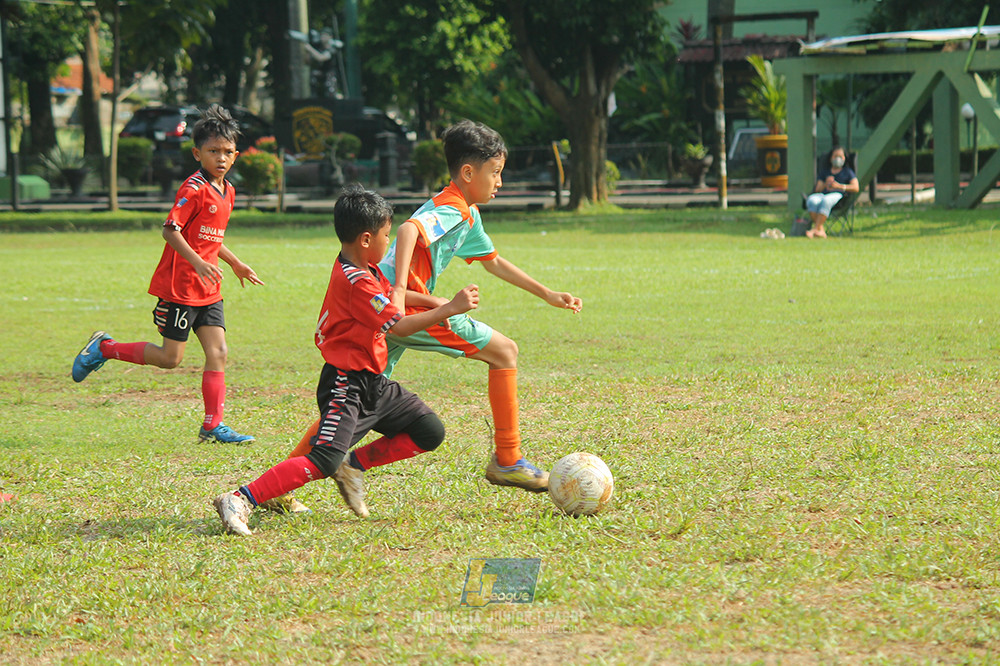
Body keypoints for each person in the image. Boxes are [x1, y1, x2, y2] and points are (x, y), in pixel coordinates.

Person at [274, 119, 582, 507]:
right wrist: (401, 291)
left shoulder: (467, 212)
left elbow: (494, 262)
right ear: (468, 173)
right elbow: (407, 231)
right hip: (396, 308)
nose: (500, 182)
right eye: (496, 173)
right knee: (505, 351)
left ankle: (284, 484)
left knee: (355, 401)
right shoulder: (451, 206)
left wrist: (548, 293)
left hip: (385, 311)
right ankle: (507, 459)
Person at [214, 185, 480, 535]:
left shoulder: (364, 268)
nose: (390, 243)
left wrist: (432, 302)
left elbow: (391, 294)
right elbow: (398, 324)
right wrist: (450, 309)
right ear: (367, 239)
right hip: (345, 383)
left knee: (428, 431)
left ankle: (353, 466)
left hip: (373, 382)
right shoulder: (356, 281)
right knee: (323, 458)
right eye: (388, 236)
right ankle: (240, 498)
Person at [71, 104, 263, 444]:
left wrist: (234, 262)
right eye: (213, 151)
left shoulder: (228, 191)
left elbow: (210, 238)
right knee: (170, 359)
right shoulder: (193, 189)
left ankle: (212, 426)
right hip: (181, 287)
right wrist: (197, 263)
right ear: (197, 153)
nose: (221, 158)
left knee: (218, 352)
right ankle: (105, 348)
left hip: (208, 287)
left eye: (228, 152)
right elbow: (171, 231)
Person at [804, 146, 859, 239]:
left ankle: (815, 229)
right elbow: (817, 189)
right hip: (824, 194)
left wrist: (840, 186)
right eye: (835, 156)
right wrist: (826, 184)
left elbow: (856, 187)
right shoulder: (825, 172)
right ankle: (820, 230)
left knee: (826, 201)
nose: (838, 159)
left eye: (840, 156)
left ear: (844, 158)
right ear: (831, 158)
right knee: (811, 200)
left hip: (839, 196)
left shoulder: (848, 172)